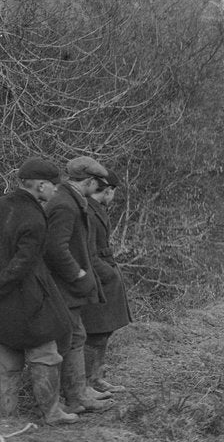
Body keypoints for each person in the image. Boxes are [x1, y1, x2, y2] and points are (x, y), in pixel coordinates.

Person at [0, 158, 78, 425]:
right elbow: (21, 265)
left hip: (4, 303)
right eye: (54, 186)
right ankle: (52, 413)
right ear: (42, 185)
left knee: (6, 359)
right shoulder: (34, 217)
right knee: (46, 353)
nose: (56, 191)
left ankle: (7, 419)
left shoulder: (3, 205)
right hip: (27, 297)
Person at [44, 155, 115, 413]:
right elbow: (55, 248)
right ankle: (75, 397)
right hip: (62, 286)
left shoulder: (70, 200)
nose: (100, 188)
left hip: (65, 285)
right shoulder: (65, 205)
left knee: (77, 335)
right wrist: (78, 274)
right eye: (98, 183)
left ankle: (78, 393)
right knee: (73, 337)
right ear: (89, 181)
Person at [80, 170, 132, 395]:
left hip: (105, 275)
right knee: (96, 332)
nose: (113, 198)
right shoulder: (88, 213)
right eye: (113, 193)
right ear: (108, 191)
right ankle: (88, 382)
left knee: (104, 330)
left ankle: (96, 378)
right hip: (97, 278)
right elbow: (88, 252)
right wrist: (107, 274)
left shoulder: (96, 209)